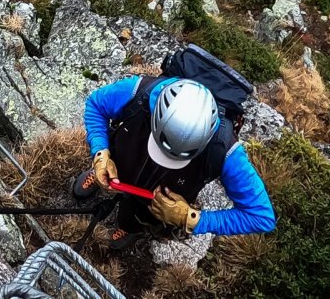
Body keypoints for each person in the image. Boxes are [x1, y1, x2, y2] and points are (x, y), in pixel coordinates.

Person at [75, 75, 275, 246]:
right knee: (111, 164)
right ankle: (99, 172)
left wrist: (191, 218)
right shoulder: (138, 93)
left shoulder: (226, 152)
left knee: (138, 217)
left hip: (154, 203)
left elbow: (261, 216)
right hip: (121, 162)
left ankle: (129, 227)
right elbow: (96, 104)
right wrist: (100, 153)